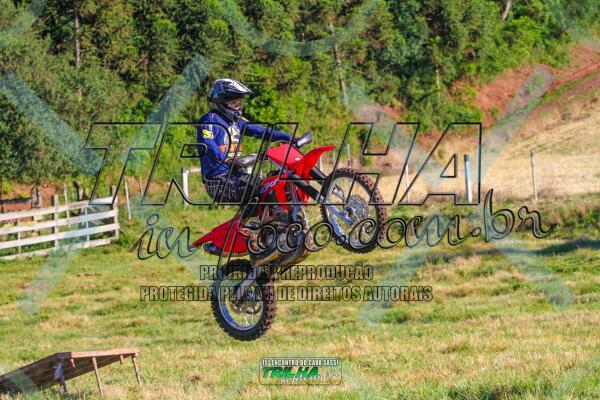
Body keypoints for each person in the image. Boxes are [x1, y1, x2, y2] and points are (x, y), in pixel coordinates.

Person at [197, 78, 296, 206]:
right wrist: (227, 160)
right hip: (218, 182)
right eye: (234, 103)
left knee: (276, 181)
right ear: (221, 102)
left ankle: (277, 216)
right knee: (262, 186)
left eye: (239, 103)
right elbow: (208, 145)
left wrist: (291, 138)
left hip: (235, 177)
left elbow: (262, 132)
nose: (238, 107)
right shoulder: (209, 120)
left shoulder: (238, 122)